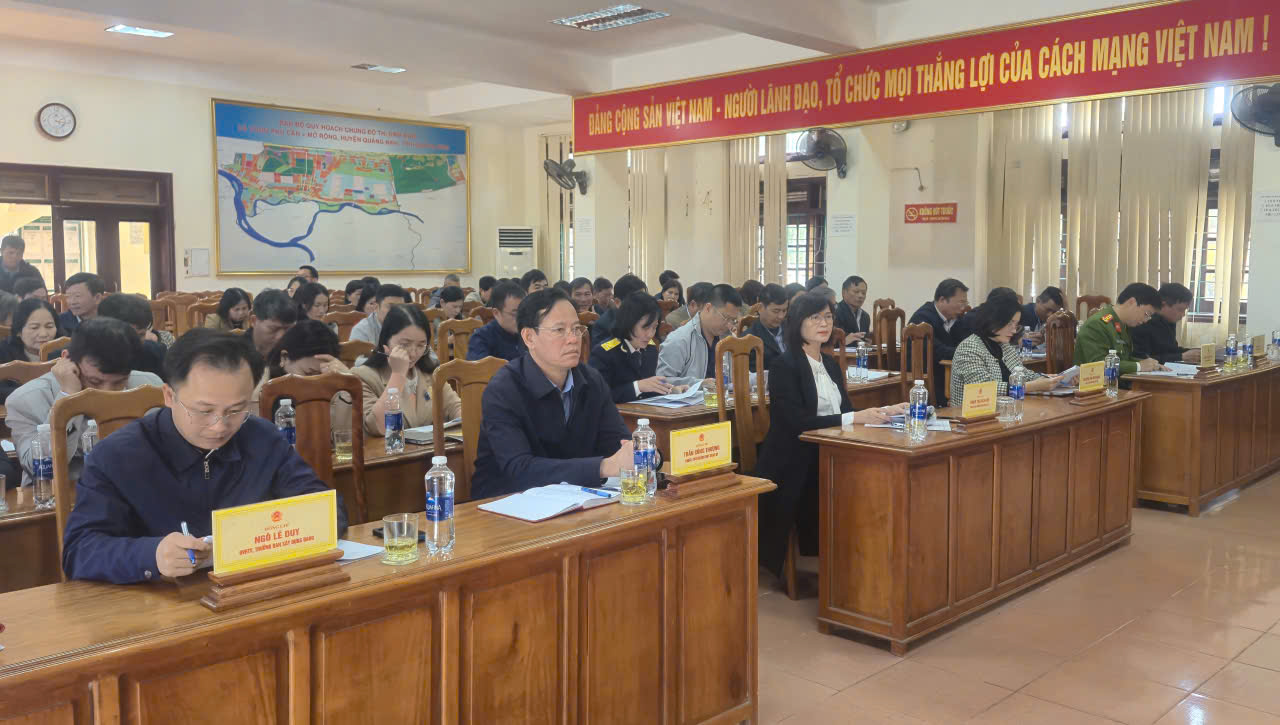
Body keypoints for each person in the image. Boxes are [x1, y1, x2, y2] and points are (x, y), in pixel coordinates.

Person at [60, 328, 346, 583]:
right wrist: (152, 555)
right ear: (169, 396)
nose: (219, 426)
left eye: (235, 410)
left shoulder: (262, 438)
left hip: (249, 592)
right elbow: (79, 551)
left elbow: (328, 510)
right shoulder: (117, 456)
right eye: (204, 411)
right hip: (160, 605)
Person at [755, 292, 906, 579]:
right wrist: (854, 417)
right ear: (797, 322)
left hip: (828, 450)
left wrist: (885, 410)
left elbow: (845, 411)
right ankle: (841, 558)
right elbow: (796, 423)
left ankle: (865, 555)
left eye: (827, 317)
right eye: (815, 317)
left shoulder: (830, 364)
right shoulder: (785, 365)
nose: (824, 323)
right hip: (794, 459)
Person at [471, 289, 634, 499]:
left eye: (577, 329)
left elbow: (618, 442)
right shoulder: (503, 389)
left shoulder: (591, 380)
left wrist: (641, 454)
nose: (573, 339)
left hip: (576, 497)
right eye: (559, 330)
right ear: (529, 337)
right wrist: (603, 467)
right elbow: (519, 469)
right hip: (506, 502)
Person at [8, 318, 162, 486]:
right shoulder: (25, 400)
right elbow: (40, 470)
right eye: (95, 381)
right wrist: (68, 398)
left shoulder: (150, 386)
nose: (106, 393)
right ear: (67, 360)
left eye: (119, 382)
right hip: (61, 494)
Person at [353, 305, 461, 437]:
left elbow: (456, 408)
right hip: (386, 450)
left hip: (429, 449)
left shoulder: (431, 374)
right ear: (386, 341)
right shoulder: (363, 377)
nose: (413, 353)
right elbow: (379, 427)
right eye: (404, 344)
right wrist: (398, 375)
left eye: (421, 345)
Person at [950, 297, 1063, 406]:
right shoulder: (969, 348)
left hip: (1005, 410)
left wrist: (1050, 379)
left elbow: (1023, 373)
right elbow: (984, 389)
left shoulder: (1004, 345)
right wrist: (1032, 386)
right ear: (993, 319)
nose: (1014, 330)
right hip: (972, 415)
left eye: (1016, 324)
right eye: (1010, 323)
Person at [590, 292, 695, 403]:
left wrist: (670, 390)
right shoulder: (604, 353)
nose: (650, 334)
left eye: (654, 327)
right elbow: (597, 396)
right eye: (645, 328)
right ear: (628, 323)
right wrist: (637, 387)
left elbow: (648, 389)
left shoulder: (650, 350)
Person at [266, 320, 355, 432]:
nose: (315, 382)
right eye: (308, 373)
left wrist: (347, 382)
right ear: (284, 358)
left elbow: (343, 435)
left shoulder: (330, 386)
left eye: (322, 375)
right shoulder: (265, 390)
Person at [657, 284, 743, 384]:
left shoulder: (728, 338)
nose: (729, 325)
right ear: (708, 308)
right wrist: (699, 384)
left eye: (733, 320)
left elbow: (740, 375)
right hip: (691, 394)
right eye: (726, 318)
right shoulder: (679, 339)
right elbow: (662, 381)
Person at [1075, 283, 1167, 374]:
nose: (1146, 320)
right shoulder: (1097, 324)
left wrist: (1149, 364)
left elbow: (1123, 359)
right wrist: (1138, 366)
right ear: (1132, 302)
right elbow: (1098, 365)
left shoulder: (1122, 324)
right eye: (1147, 314)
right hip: (1094, 382)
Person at [908, 278, 970, 401]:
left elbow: (966, 343)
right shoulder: (922, 318)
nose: (963, 307)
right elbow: (937, 351)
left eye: (965, 303)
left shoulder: (956, 318)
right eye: (961, 302)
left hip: (949, 372)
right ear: (942, 300)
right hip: (927, 378)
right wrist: (967, 352)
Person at [97, 293, 169, 380]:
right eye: (127, 336)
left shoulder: (156, 354)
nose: (135, 343)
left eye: (141, 335)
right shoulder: (89, 358)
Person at [1130, 283, 1199, 364]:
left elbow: (1171, 350)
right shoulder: (1143, 321)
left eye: (1185, 310)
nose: (1183, 314)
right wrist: (1181, 357)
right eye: (1180, 309)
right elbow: (1142, 359)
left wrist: (1195, 353)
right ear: (1163, 305)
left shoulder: (1169, 321)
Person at [467, 281, 526, 361]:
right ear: (496, 313)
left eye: (523, 312)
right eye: (515, 314)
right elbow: (480, 368)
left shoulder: (528, 332)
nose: (521, 318)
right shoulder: (481, 337)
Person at [591, 274, 648, 346]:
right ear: (618, 302)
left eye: (644, 299)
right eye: (636, 301)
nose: (642, 304)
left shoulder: (648, 319)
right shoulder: (602, 325)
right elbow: (602, 351)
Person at [0, 298, 60, 365]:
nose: (43, 334)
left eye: (49, 326)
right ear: (18, 331)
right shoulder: (3, 354)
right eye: (34, 327)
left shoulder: (65, 349)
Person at [747, 283, 789, 372]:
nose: (781, 316)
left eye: (784, 310)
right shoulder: (749, 339)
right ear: (760, 308)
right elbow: (752, 373)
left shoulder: (792, 328)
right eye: (776, 311)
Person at [246, 289, 298, 359]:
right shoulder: (236, 355)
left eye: (288, 329)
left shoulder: (300, 352)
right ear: (254, 321)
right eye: (273, 329)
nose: (281, 336)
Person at [834, 275, 871, 344]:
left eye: (863, 293)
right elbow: (829, 342)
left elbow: (865, 339)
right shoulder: (835, 312)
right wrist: (844, 341)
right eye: (856, 292)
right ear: (844, 292)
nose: (860, 296)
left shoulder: (865, 316)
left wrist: (868, 343)